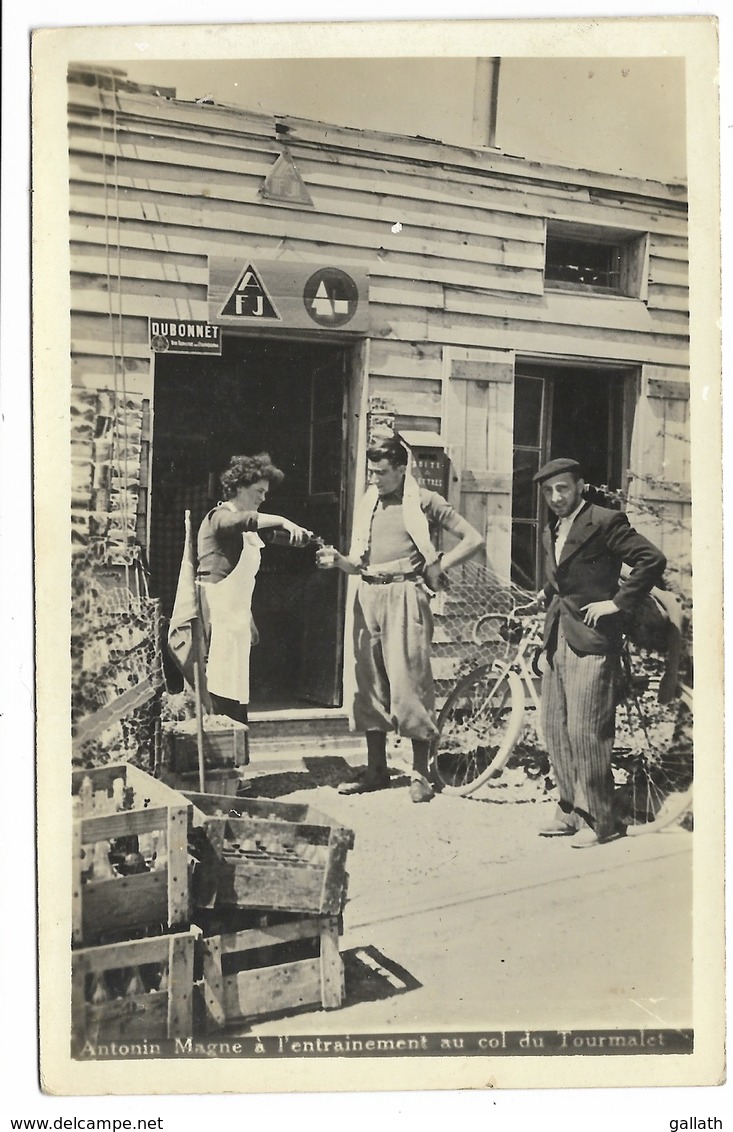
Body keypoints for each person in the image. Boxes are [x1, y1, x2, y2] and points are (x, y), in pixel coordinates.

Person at [316, 436, 483, 802]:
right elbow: (356, 563)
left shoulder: (423, 501)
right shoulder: (368, 504)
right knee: (369, 682)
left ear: (402, 469)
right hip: (368, 593)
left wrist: (440, 565)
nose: (374, 479)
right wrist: (337, 561)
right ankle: (376, 770)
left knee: (410, 682)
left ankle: (420, 774)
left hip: (406, 595)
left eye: (382, 472)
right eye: (371, 472)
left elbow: (473, 538)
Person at [531, 457, 666, 847]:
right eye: (548, 491)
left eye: (563, 489)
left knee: (587, 731)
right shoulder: (552, 527)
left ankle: (600, 820)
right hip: (558, 635)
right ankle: (570, 810)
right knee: (555, 728)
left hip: (593, 638)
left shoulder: (606, 521)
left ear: (579, 487)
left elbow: (651, 559)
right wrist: (544, 596)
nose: (556, 497)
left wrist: (617, 604)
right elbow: (565, 581)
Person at [196, 453, 312, 724]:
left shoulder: (249, 528)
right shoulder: (220, 516)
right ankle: (216, 753)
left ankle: (234, 756)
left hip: (235, 618)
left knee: (235, 687)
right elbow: (240, 522)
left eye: (265, 493)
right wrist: (283, 520)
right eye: (258, 491)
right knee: (217, 686)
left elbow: (243, 579)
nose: (263, 498)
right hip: (217, 615)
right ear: (238, 488)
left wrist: (247, 618)